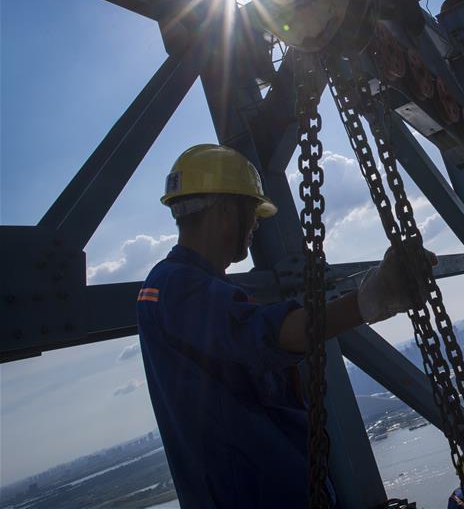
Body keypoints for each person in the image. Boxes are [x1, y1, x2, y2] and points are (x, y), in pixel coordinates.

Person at [138, 144, 430, 508]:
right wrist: (376, 298)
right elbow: (270, 334)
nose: (256, 225)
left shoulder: (206, 289)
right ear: (227, 212)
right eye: (253, 213)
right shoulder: (173, 286)